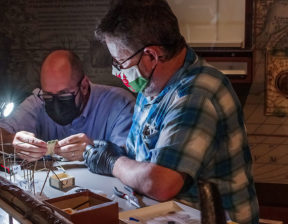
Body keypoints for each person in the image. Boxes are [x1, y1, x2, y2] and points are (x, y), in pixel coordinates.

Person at [83, 1, 259, 223]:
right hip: (164, 213)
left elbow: (162, 183)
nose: (118, 71)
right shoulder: (152, 86)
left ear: (151, 56)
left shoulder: (197, 92)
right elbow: (141, 159)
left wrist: (112, 162)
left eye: (120, 61)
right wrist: (112, 152)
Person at [0, 50, 135, 162]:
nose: (55, 104)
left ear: (84, 86)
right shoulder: (38, 100)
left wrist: (95, 150)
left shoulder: (120, 104)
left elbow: (130, 159)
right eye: (49, 95)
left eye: (64, 95)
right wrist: (13, 143)